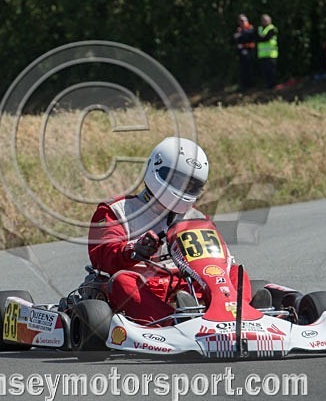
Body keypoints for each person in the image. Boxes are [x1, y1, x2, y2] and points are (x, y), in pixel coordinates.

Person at [87, 137, 255, 325]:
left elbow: (221, 261)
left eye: (191, 185)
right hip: (145, 287)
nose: (184, 188)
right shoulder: (118, 210)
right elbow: (101, 256)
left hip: (188, 285)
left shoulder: (196, 217)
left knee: (236, 272)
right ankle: (176, 322)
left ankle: (240, 314)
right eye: (179, 181)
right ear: (157, 169)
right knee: (121, 281)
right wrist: (133, 249)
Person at [232, 14, 256, 91]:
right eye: (240, 21)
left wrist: (241, 35)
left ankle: (250, 85)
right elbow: (235, 38)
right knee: (242, 69)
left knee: (249, 68)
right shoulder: (239, 29)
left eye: (243, 20)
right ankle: (243, 85)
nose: (241, 22)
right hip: (241, 52)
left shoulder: (250, 28)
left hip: (249, 50)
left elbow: (248, 36)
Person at [257, 14, 278, 89]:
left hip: (271, 54)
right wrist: (262, 38)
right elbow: (258, 38)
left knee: (271, 71)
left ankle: (273, 85)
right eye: (263, 20)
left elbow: (265, 38)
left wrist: (262, 38)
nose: (265, 22)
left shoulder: (272, 28)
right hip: (262, 54)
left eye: (266, 20)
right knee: (265, 71)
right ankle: (267, 85)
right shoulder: (260, 28)